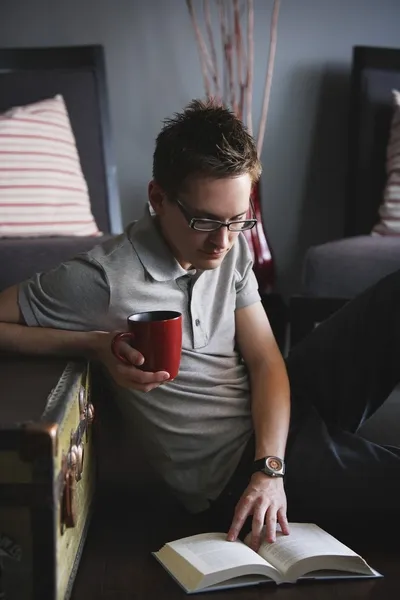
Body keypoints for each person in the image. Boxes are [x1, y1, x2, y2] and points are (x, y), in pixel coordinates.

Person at [0, 99, 399, 552]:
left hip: (274, 419)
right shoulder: (101, 280)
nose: (223, 241)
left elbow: (267, 361)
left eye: (238, 220)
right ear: (158, 198)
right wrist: (93, 345)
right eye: (205, 220)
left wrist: (273, 467)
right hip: (232, 475)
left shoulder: (232, 247)